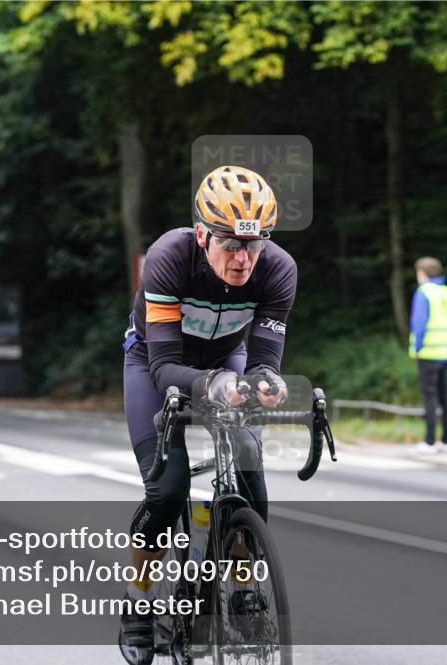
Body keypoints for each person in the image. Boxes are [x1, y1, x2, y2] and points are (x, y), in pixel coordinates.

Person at [118, 165, 296, 664]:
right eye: (230, 245)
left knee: (250, 471)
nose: (243, 259)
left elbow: (262, 360)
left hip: (225, 358)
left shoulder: (278, 269)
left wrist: (266, 383)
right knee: (168, 487)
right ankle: (139, 598)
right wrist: (208, 385)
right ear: (201, 235)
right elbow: (162, 367)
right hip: (155, 362)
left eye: (254, 245)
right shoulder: (168, 257)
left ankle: (241, 579)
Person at [408, 257, 447, 454]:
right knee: (445, 397)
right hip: (445, 350)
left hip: (428, 351)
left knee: (430, 397)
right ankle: (446, 440)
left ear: (423, 273)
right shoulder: (446, 292)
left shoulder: (424, 292)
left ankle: (429, 441)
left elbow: (419, 323)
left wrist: (416, 348)